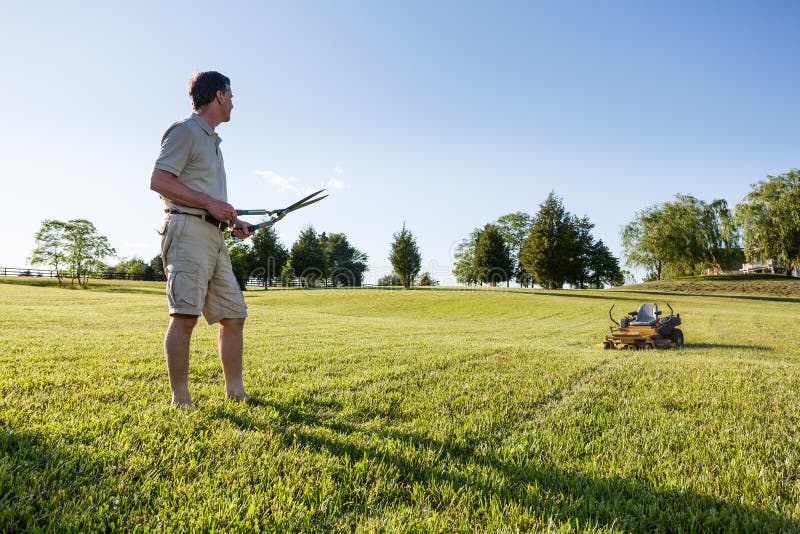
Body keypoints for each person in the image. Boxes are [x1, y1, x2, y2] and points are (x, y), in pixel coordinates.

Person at [150, 71, 252, 407]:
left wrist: (233, 221)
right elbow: (160, 180)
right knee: (185, 316)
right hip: (186, 232)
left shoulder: (212, 142)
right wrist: (210, 203)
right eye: (232, 95)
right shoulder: (186, 131)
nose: (234, 103)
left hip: (214, 236)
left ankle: (236, 394)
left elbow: (209, 197)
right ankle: (181, 400)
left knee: (234, 315)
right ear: (220, 96)